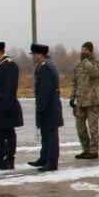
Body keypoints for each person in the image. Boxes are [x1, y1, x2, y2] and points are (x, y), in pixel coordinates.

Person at [0, 41, 23, 170]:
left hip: (6, 106)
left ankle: (9, 159)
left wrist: (7, 106)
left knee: (8, 134)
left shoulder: (10, 65)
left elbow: (10, 88)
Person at [29, 43, 63, 171]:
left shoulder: (45, 67)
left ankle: (51, 161)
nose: (34, 57)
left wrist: (41, 107)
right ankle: (44, 157)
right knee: (45, 134)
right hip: (49, 106)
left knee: (50, 136)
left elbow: (45, 90)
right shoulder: (48, 65)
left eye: (34, 54)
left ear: (39, 54)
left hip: (49, 107)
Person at [70, 41, 99, 159]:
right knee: (80, 126)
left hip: (93, 100)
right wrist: (72, 97)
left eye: (86, 50)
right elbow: (74, 81)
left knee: (93, 127)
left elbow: (96, 75)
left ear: (90, 51)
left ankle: (93, 150)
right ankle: (85, 149)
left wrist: (86, 62)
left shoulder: (97, 62)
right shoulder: (77, 63)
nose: (83, 52)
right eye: (82, 49)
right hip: (80, 100)